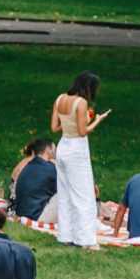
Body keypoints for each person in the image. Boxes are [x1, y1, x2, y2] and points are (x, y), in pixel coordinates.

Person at [50, 72, 109, 248]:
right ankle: (86, 240)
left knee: (65, 192)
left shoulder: (60, 99)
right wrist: (97, 120)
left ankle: (66, 235)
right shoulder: (81, 103)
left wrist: (69, 123)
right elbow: (83, 132)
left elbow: (54, 127)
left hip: (63, 147)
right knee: (84, 195)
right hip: (76, 150)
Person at [9, 138, 59, 222]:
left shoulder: (28, 166)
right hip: (36, 217)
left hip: (22, 213)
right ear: (47, 150)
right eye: (54, 148)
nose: (56, 152)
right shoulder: (50, 168)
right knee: (67, 192)